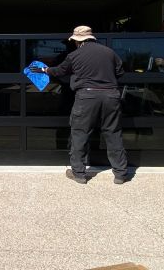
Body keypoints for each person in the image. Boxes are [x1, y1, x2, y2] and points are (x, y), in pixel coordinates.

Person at [30, 26, 128, 184]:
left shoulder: (74, 55)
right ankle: (120, 174)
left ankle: (79, 173)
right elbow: (120, 72)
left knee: (80, 133)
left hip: (87, 96)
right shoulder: (110, 52)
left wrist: (43, 69)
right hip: (111, 95)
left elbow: (60, 71)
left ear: (77, 41)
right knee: (113, 133)